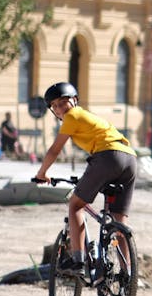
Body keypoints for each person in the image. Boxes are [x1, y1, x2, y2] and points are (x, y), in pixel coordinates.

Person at [33, 82, 137, 276]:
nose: (59, 108)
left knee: (75, 206)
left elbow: (55, 150)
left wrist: (42, 173)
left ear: (75, 101)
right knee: (119, 222)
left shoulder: (72, 116)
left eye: (63, 102)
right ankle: (127, 274)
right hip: (130, 159)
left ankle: (78, 262)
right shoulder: (87, 116)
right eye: (54, 106)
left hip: (107, 156)